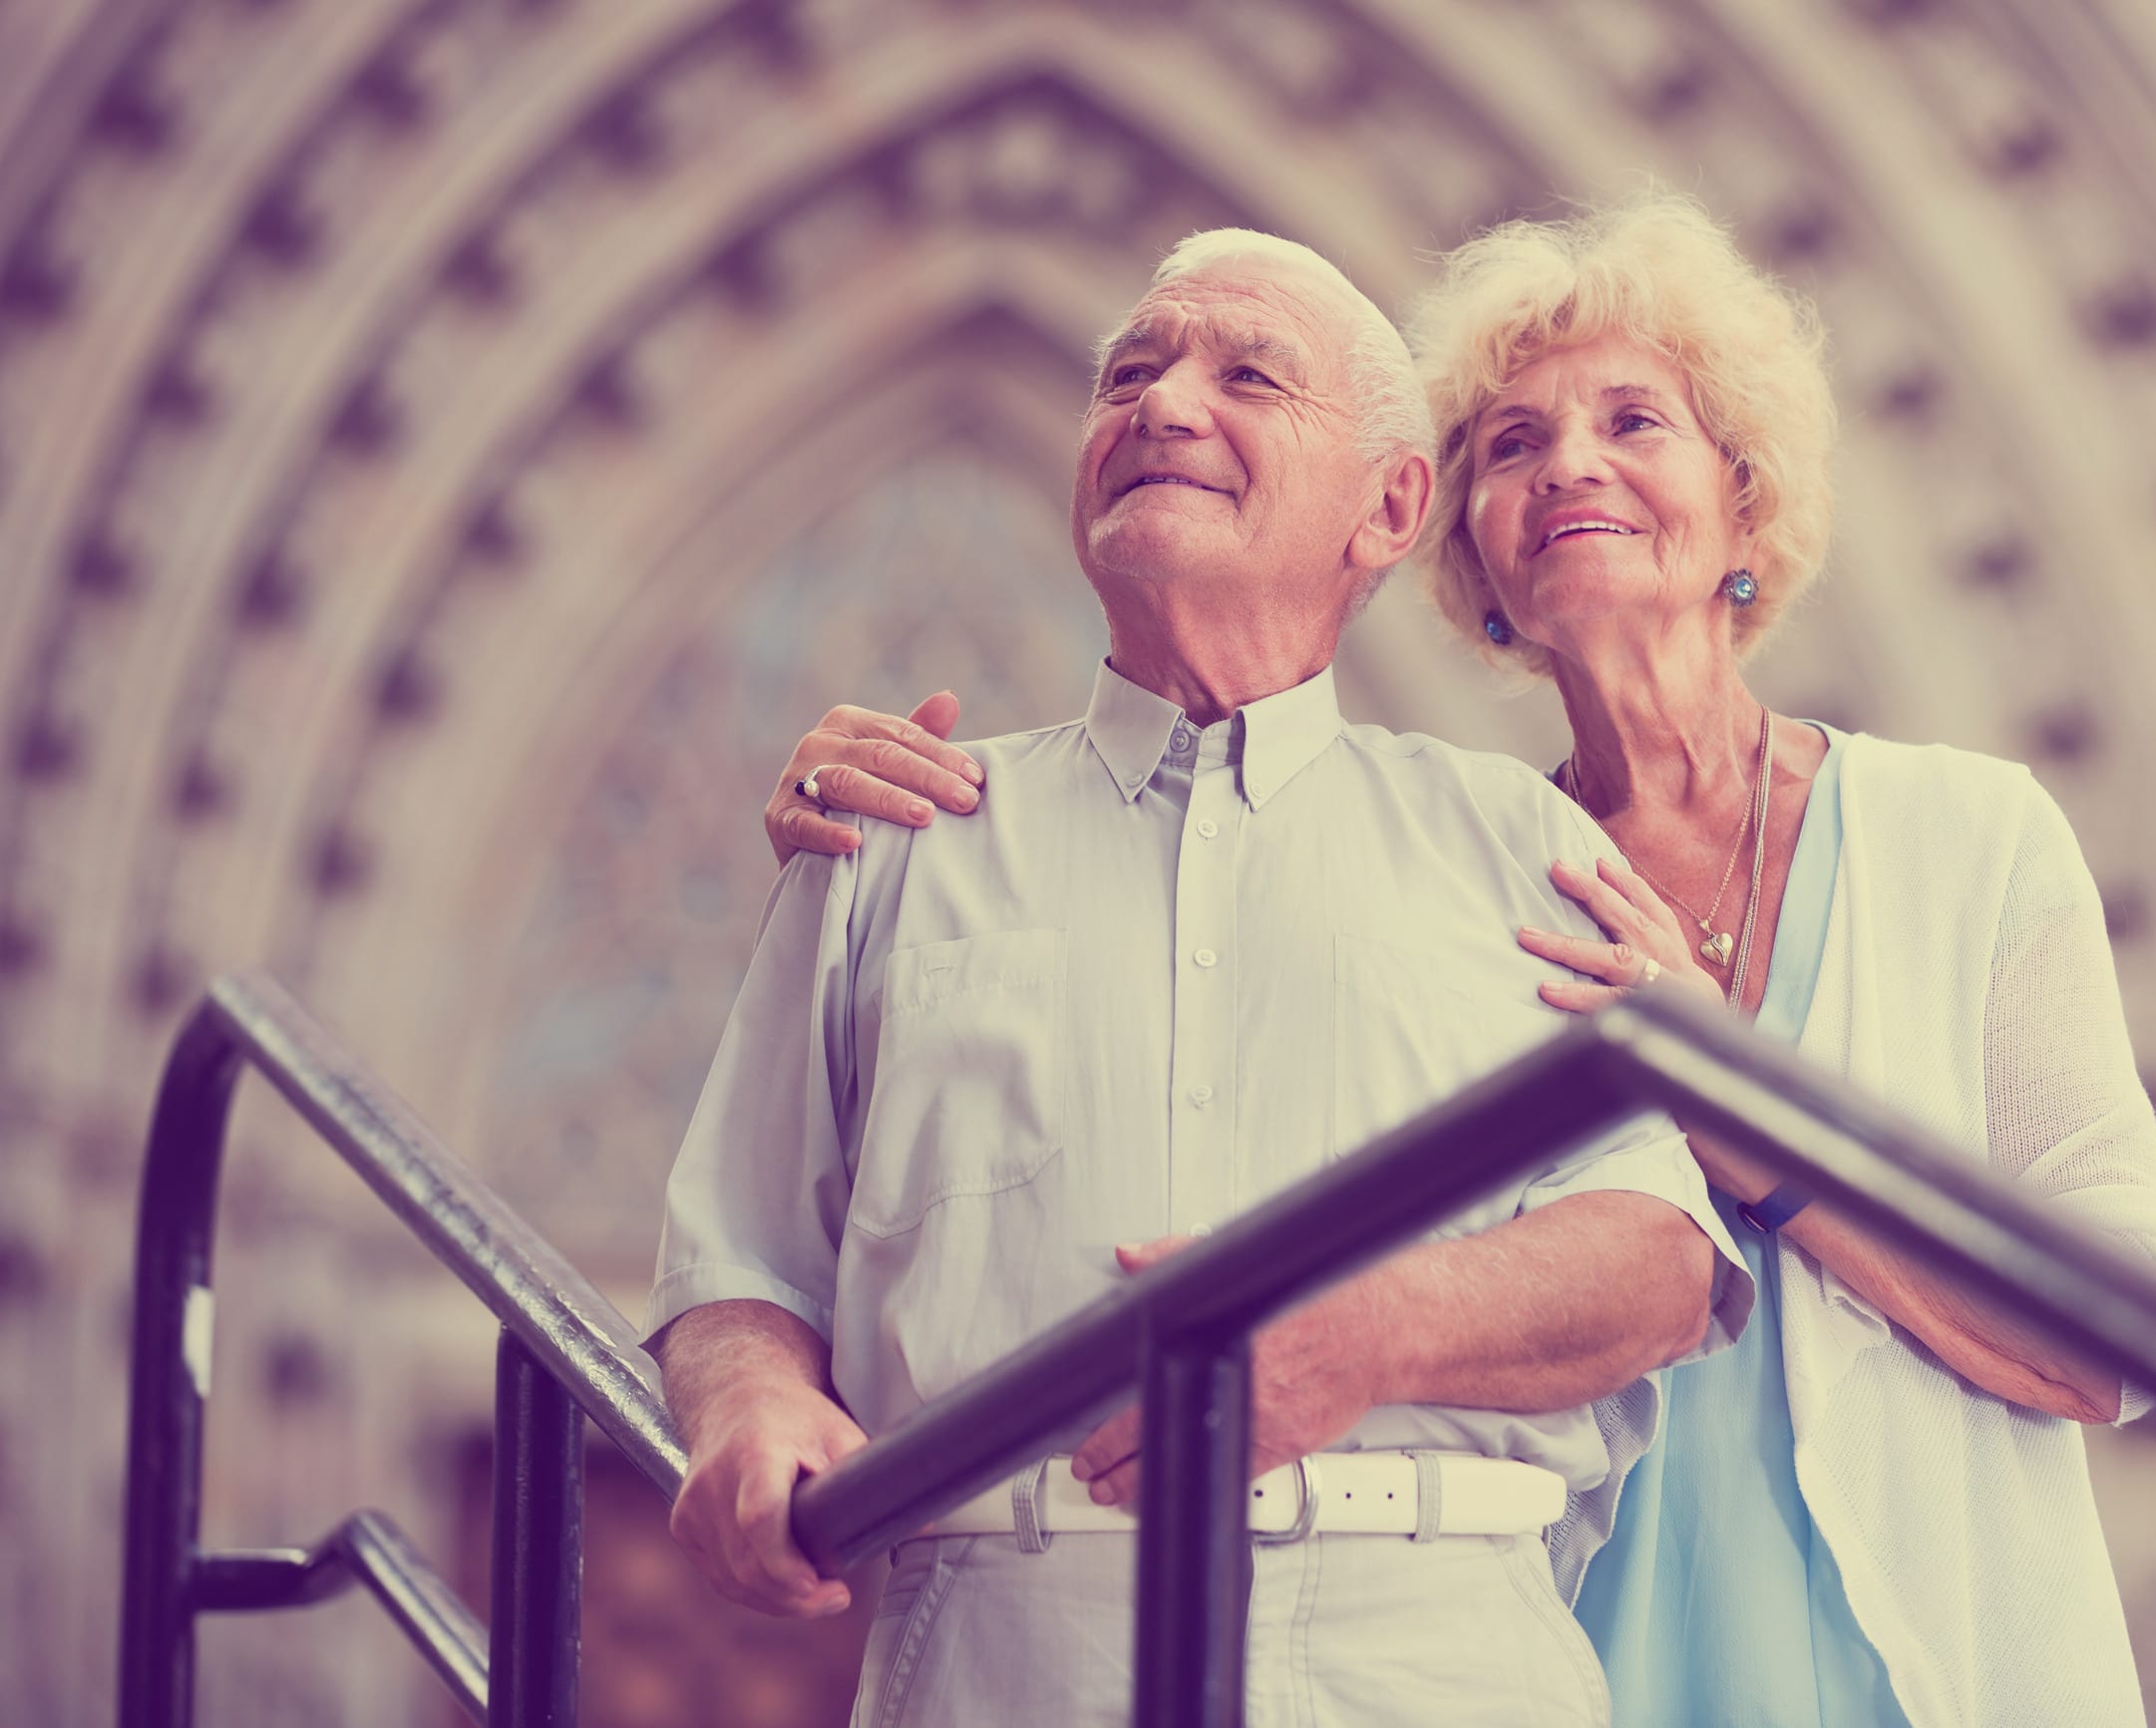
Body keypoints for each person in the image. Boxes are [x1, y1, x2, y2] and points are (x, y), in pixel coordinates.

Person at [769, 194, 2156, 1726]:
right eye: (1510, 446)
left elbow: (2122, 1334)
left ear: (1743, 497)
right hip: (1560, 1644)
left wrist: (1738, 1115)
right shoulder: (1473, 863)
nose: (1567, 465)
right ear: (1454, 547)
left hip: (1921, 1657)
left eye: (1631, 421)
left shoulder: (1966, 837)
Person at [646, 227, 1753, 1728]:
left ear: (1390, 505)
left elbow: (1658, 1261)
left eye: (1247, 376)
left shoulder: (1515, 839)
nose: (1164, 406)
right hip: (1001, 1665)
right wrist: (751, 1403)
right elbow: (740, 1266)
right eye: (1131, 374)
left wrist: (1376, 1328)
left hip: (1431, 1662)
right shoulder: (893, 837)